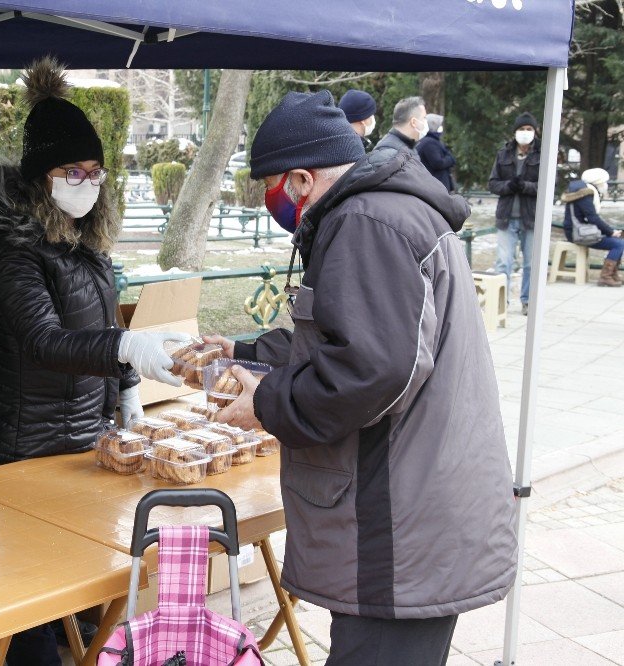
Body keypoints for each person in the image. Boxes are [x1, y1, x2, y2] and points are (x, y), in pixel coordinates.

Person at [209, 90, 516, 666]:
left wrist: (268, 404)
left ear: (302, 178)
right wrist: (246, 350)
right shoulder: (381, 212)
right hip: (417, 508)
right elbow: (340, 331)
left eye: (274, 188)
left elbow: (371, 370)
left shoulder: (367, 222)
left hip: (400, 526)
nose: (274, 202)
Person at [0, 57, 186, 665]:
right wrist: (127, 350)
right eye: (72, 170)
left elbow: (100, 326)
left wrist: (127, 395)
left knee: (80, 564)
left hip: (85, 433)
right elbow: (43, 340)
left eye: (95, 171)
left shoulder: (83, 240)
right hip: (28, 436)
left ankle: (80, 641)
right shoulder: (9, 249)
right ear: (42, 176)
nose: (87, 182)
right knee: (30, 584)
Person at [488, 112, 541, 315]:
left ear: (535, 132)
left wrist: (526, 186)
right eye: (522, 129)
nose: (525, 133)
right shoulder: (504, 154)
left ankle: (528, 301)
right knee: (503, 262)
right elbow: (493, 183)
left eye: (529, 129)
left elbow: (549, 185)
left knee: (531, 263)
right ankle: (501, 302)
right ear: (515, 132)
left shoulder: (542, 153)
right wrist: (509, 186)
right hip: (506, 217)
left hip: (532, 217)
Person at [562, 167, 624, 287]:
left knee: (619, 241)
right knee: (619, 244)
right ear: (598, 182)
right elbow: (593, 218)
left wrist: (609, 232)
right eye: (604, 182)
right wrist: (610, 232)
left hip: (577, 230)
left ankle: (612, 274)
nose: (605, 185)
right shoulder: (585, 194)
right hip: (578, 233)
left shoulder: (580, 190)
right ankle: (606, 276)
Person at [416, 113, 456, 192]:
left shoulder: (430, 141)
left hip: (435, 186)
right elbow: (438, 163)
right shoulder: (429, 143)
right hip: (436, 188)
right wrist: (450, 159)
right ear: (434, 125)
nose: (441, 127)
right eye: (440, 124)